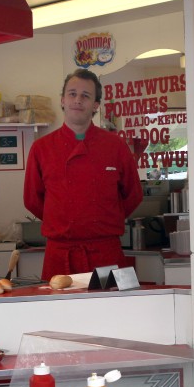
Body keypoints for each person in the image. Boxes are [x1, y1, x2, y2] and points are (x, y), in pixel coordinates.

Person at [24, 69, 143, 279]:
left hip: (106, 252)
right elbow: (32, 200)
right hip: (60, 254)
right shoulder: (41, 148)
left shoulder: (116, 146)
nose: (78, 100)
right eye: (72, 94)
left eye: (85, 96)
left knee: (111, 302)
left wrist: (103, 218)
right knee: (58, 303)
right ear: (62, 100)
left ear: (95, 105)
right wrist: (63, 219)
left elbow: (133, 195)